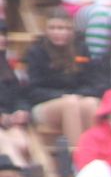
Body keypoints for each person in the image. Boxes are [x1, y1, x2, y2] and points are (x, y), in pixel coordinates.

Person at [26, 8, 104, 159]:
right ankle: (77, 158)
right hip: (44, 105)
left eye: (63, 28)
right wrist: (63, 96)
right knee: (70, 103)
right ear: (46, 30)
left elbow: (95, 83)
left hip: (76, 99)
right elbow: (32, 90)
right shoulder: (36, 51)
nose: (58, 32)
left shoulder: (81, 49)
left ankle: (96, 157)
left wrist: (77, 94)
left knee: (90, 103)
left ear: (71, 30)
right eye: (53, 28)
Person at [0, 23, 39, 176]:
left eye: (3, 35)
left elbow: (20, 95)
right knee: (3, 140)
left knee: (21, 142)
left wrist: (22, 111)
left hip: (9, 122)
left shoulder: (9, 67)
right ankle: (22, 174)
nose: (2, 39)